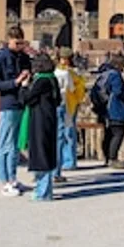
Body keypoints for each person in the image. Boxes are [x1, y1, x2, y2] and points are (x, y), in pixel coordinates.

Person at [0, 27, 32, 196]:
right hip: (8, 103)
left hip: (21, 103)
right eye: (17, 43)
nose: (20, 46)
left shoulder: (24, 57)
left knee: (15, 145)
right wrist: (15, 82)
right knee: (5, 144)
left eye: (22, 43)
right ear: (9, 40)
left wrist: (28, 79)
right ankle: (4, 180)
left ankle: (13, 177)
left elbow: (31, 74)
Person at [18, 54, 61, 201]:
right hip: (49, 119)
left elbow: (26, 99)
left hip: (39, 120)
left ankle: (43, 192)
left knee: (41, 154)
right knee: (47, 152)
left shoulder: (41, 81)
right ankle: (45, 190)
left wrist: (24, 87)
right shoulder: (52, 79)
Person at [93, 54, 124, 168]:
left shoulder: (104, 75)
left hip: (105, 110)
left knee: (108, 134)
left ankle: (107, 158)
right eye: (123, 64)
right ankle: (112, 158)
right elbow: (118, 91)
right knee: (118, 133)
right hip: (116, 109)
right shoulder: (115, 76)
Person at [53, 49, 85, 182]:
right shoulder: (67, 73)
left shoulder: (67, 72)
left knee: (66, 133)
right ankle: (67, 161)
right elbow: (73, 87)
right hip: (66, 103)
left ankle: (69, 160)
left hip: (68, 104)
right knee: (65, 133)